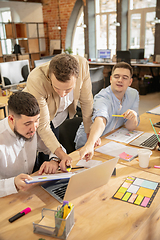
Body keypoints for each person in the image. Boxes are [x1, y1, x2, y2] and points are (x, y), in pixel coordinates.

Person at [24, 54, 93, 171]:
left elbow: (87, 102)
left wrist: (90, 136)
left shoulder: (82, 66)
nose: (62, 94)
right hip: (36, 118)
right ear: (50, 77)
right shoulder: (36, 80)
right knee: (38, 158)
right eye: (56, 88)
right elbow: (43, 126)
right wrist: (63, 156)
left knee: (52, 156)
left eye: (68, 89)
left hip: (57, 117)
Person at [0, 91, 62, 198]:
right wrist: (13, 183)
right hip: (6, 197)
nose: (34, 128)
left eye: (37, 120)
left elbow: (56, 148)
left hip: (30, 191)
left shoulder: (34, 129)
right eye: (27, 123)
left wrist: (54, 160)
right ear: (11, 119)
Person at [75, 62, 140, 160]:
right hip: (88, 144)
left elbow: (130, 127)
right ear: (110, 79)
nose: (120, 80)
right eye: (116, 76)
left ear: (130, 82)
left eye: (125, 78)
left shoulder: (133, 94)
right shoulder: (102, 98)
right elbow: (100, 120)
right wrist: (89, 144)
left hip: (111, 140)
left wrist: (133, 116)